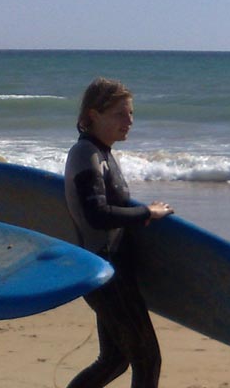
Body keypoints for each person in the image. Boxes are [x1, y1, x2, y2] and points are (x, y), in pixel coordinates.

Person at [64, 77, 173, 388]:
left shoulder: (101, 153)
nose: (129, 122)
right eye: (120, 114)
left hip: (105, 270)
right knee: (146, 359)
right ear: (93, 115)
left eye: (132, 114)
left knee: (114, 360)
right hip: (106, 272)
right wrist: (146, 213)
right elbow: (96, 214)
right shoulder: (87, 154)